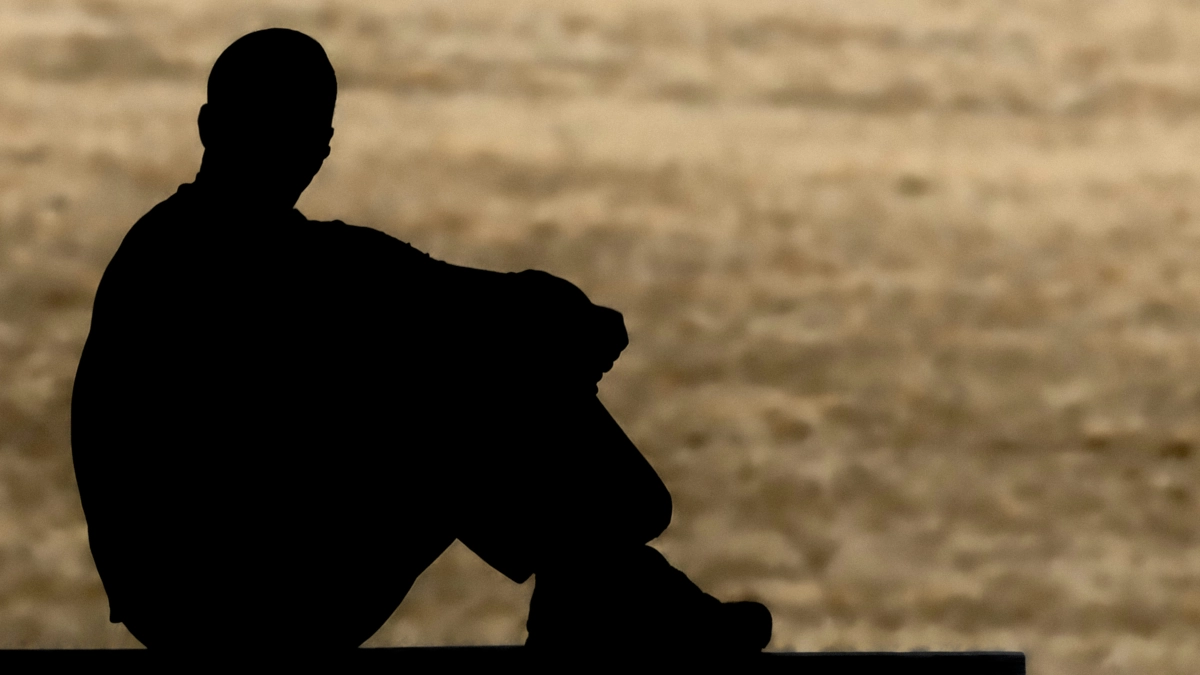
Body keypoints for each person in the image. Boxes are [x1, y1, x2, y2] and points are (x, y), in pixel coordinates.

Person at [70, 28, 771, 653]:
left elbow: (460, 298)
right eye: (284, 125)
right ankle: (599, 590)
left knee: (466, 367)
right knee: (470, 386)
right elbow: (469, 305)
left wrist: (541, 329)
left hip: (203, 586)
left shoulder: (191, 252)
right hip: (224, 598)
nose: (297, 147)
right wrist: (553, 344)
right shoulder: (238, 261)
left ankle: (597, 585)